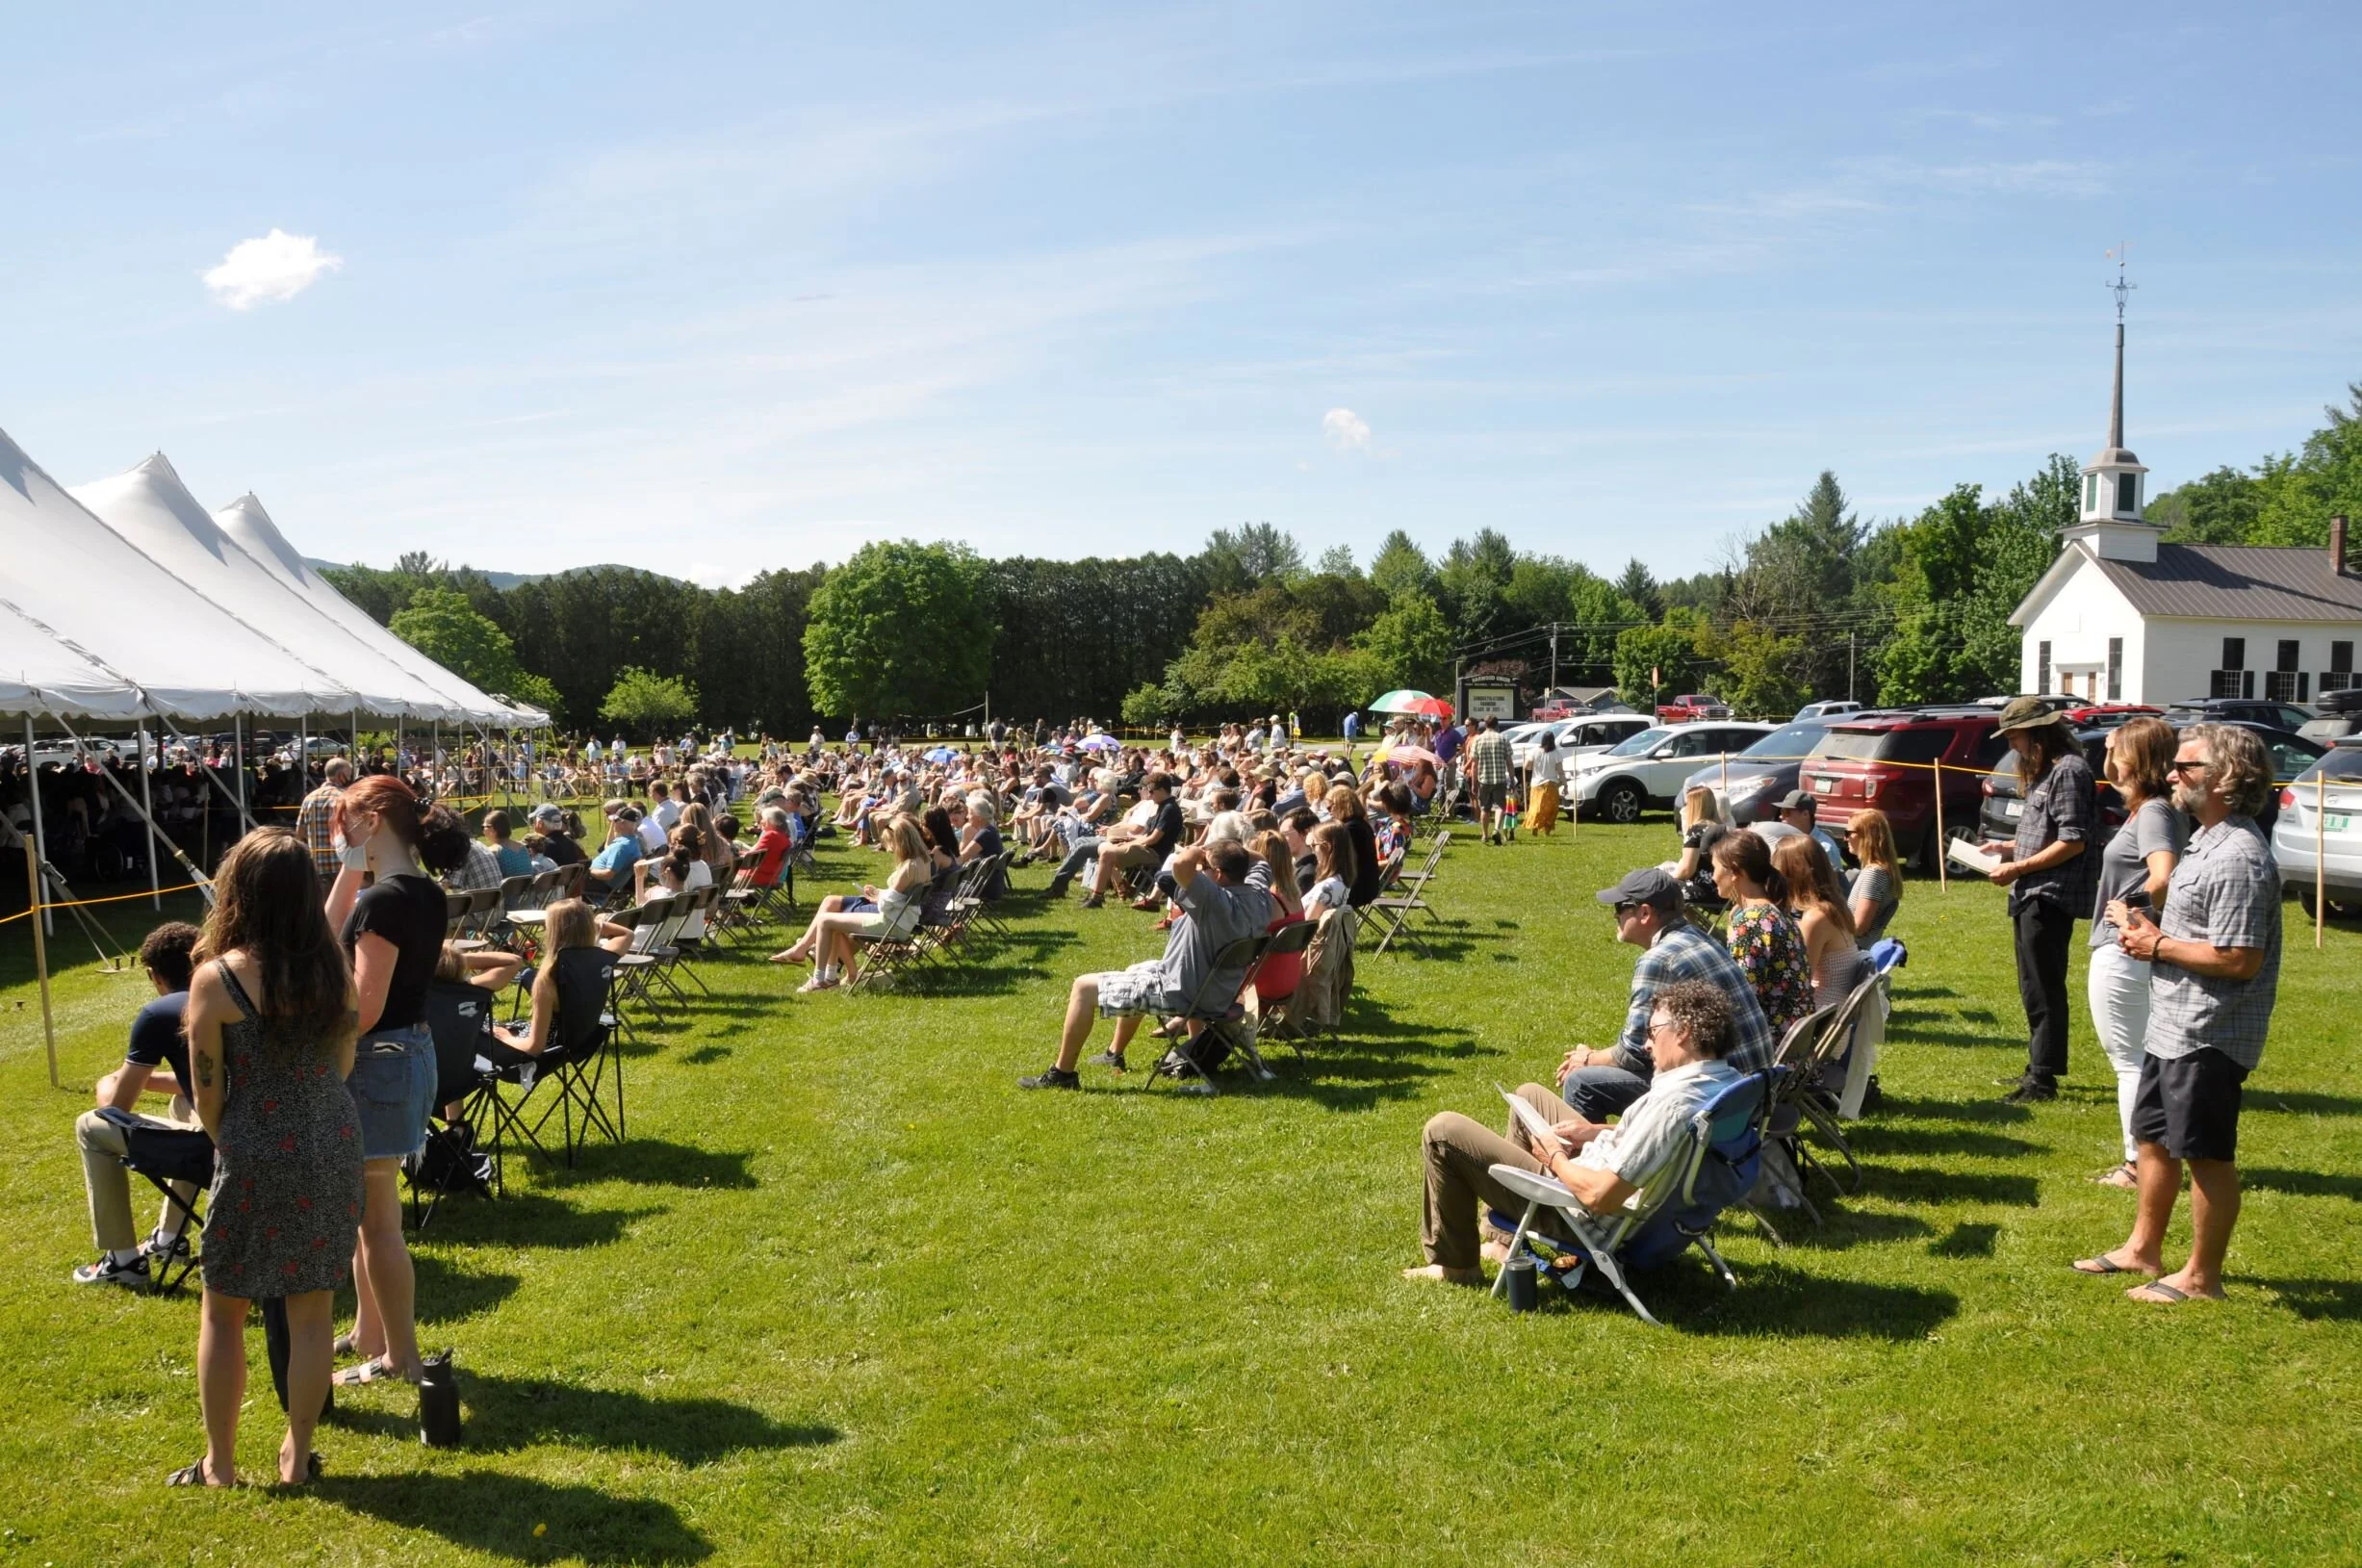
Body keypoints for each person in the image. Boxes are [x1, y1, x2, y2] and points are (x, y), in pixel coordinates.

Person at [171, 829, 364, 1486]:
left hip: (253, 1145)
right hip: (331, 1138)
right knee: (312, 1310)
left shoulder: (216, 979)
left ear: (238, 893)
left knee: (223, 1309)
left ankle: (220, 1464)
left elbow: (208, 1093)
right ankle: (296, 1453)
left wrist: (241, 1139)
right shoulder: (334, 968)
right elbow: (341, 1064)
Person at [2074, 724, 2280, 1305]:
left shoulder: (2240, 855)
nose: (2171, 775)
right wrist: (2149, 931)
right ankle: (2143, 1248)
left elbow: (2239, 958)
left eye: (2185, 767)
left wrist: (2157, 947)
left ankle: (2201, 1277)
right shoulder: (2205, 839)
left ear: (2225, 778)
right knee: (2153, 1139)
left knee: (2206, 1154)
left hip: (2209, 1031)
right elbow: (2197, 930)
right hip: (2172, 1021)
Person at [1405, 980, 1746, 1284]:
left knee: (1443, 1131)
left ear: (1683, 1032)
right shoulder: (1722, 1083)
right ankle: (1502, 1241)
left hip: (1581, 1214)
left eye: (1653, 1032)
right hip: (1619, 1186)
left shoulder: (1672, 1106)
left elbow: (1600, 1197)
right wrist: (1593, 1131)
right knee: (1529, 1095)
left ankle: (1456, 1265)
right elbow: (1662, 1142)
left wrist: (1552, 1156)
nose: (1646, 1045)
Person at [323, 775, 471, 1388]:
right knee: (371, 1217)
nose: (338, 832)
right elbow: (328, 933)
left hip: (379, 1058)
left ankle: (400, 1357)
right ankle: (368, 1332)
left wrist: (315, 1040)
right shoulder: (415, 890)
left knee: (379, 1222)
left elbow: (367, 1004)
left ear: (374, 819)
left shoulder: (382, 901)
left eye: (347, 820)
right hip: (406, 1055)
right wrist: (353, 867)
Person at [1019, 839, 1272, 1088]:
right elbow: (1260, 860)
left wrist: (1199, 849)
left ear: (1217, 874)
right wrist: (1227, 851)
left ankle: (1062, 1074)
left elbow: (1181, 864)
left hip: (1184, 993)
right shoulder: (1258, 894)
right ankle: (1113, 1053)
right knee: (1137, 970)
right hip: (1219, 991)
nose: (1198, 870)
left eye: (1203, 866)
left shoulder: (1215, 900)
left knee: (1083, 988)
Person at [1552, 868, 1775, 1121]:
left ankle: (1589, 1160)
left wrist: (1587, 1058)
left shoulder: (1659, 959)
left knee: (1581, 1083)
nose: (1615, 915)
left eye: (1620, 907)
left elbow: (1633, 1054)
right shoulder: (1699, 937)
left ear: (1645, 913)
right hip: (1751, 1089)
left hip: (1719, 1101)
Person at [70, 922, 205, 1289]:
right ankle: (168, 1239)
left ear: (153, 974)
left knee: (89, 1126)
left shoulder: (159, 1013)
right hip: (266, 1139)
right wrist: (146, 1079)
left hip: (218, 1154)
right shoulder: (232, 996)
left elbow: (115, 1110)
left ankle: (123, 1260)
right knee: (182, 1104)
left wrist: (107, 1085)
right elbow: (200, 1082)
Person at [2083, 716, 2185, 1190]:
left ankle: (2136, 1163)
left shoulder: (2154, 814)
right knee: (2137, 1056)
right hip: (2125, 948)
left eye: (2118, 749)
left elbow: (2163, 877)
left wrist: (2131, 914)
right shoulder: (2144, 809)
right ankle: (2149, 1157)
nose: (2110, 757)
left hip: (2124, 948)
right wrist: (2111, 746)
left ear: (2138, 758)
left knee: (2130, 1060)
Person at [1983, 697, 2096, 1104]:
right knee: (2032, 985)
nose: (2012, 745)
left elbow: (2073, 841)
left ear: (2038, 734)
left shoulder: (2069, 771)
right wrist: (2008, 847)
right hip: (2030, 889)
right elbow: (2044, 835)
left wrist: (2018, 868)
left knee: (2044, 987)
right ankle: (2037, 1065)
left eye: (2015, 736)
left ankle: (2043, 1078)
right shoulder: (2047, 771)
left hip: (2050, 895)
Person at [774, 814, 932, 990]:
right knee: (833, 920)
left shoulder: (909, 867)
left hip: (892, 923)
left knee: (825, 920)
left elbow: (886, 905)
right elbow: (900, 896)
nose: (891, 850)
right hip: (902, 920)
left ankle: (819, 980)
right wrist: (880, 893)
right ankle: (831, 977)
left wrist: (878, 897)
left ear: (901, 841)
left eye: (892, 845)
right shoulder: (923, 861)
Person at [1710, 832, 1813, 1038]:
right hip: (1793, 1043)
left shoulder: (1751, 923)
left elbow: (1741, 999)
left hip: (1767, 1046)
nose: (1713, 876)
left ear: (1734, 871)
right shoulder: (1774, 913)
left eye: (1715, 868)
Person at [490, 900, 601, 1056]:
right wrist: (587, 922)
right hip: (583, 1043)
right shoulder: (600, 963)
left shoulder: (548, 979)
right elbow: (626, 934)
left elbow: (534, 1047)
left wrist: (506, 1038)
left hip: (547, 1053)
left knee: (483, 1027)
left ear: (553, 932)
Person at [1772, 834, 1861, 1014]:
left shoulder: (1816, 917)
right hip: (1837, 1011)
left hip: (1824, 1016)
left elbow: (1799, 980)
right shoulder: (1833, 907)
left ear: (1791, 874)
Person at [1075, 773, 1184, 910]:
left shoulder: (1169, 809)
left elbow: (1153, 839)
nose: (1149, 795)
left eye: (1151, 791)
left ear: (1162, 790)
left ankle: (1097, 897)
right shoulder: (1162, 805)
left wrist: (1129, 843)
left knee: (1107, 853)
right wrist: (1129, 839)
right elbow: (1148, 835)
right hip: (1147, 847)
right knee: (1105, 847)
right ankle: (1121, 887)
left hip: (1155, 853)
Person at [1843, 808, 1904, 943]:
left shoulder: (1874, 874)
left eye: (1848, 833)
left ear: (1866, 836)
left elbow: (1859, 927)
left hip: (1854, 953)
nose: (1845, 838)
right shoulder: (1879, 871)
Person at [293, 756, 353, 887]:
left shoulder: (309, 798)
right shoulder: (346, 797)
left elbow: (300, 833)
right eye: (349, 775)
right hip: (342, 866)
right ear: (340, 775)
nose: (350, 779)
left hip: (317, 867)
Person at [1759, 789, 1848, 870]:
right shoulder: (1781, 840)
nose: (1781, 816)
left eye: (1786, 812)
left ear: (1805, 814)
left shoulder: (1824, 848)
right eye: (1781, 811)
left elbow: (1833, 884)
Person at [1328, 784, 1383, 908]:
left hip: (1357, 889)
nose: (1329, 811)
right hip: (1366, 884)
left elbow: (1337, 860)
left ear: (1342, 805)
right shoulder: (1360, 823)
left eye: (1330, 806)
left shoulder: (1351, 829)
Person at [1466, 717, 1514, 844]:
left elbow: (1474, 765)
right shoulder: (1503, 739)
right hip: (1499, 779)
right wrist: (1513, 780)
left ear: (1485, 725)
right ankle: (1497, 829)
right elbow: (1509, 762)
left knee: (1485, 808)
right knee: (1500, 806)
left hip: (1484, 779)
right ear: (1496, 725)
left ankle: (1484, 835)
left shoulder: (1478, 740)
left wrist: (1474, 783)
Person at [585, 802, 645, 898]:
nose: (612, 824)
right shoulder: (633, 841)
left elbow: (609, 874)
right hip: (608, 885)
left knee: (567, 883)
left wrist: (589, 871)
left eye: (615, 821)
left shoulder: (622, 847)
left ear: (622, 824)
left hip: (599, 884)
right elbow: (608, 847)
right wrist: (614, 824)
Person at [1302, 820, 1355, 915]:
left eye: (1314, 845)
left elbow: (1306, 925)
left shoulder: (1326, 888)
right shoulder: (1340, 881)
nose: (1312, 851)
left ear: (1327, 847)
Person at [1528, 730, 1566, 836]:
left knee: (1536, 807)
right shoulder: (1556, 753)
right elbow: (1560, 771)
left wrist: (1535, 766)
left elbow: (1527, 766)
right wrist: (1565, 784)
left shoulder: (1534, 751)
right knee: (1550, 809)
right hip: (1551, 784)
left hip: (1536, 784)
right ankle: (1547, 830)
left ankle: (1535, 826)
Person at [526, 802, 585, 867]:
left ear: (540, 824)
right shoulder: (570, 842)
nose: (533, 825)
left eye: (534, 821)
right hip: (567, 877)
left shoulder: (543, 846)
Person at [481, 810, 534, 879]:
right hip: (525, 889)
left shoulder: (492, 852)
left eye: (483, 827)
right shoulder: (523, 848)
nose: (482, 831)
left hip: (505, 889)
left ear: (492, 829)